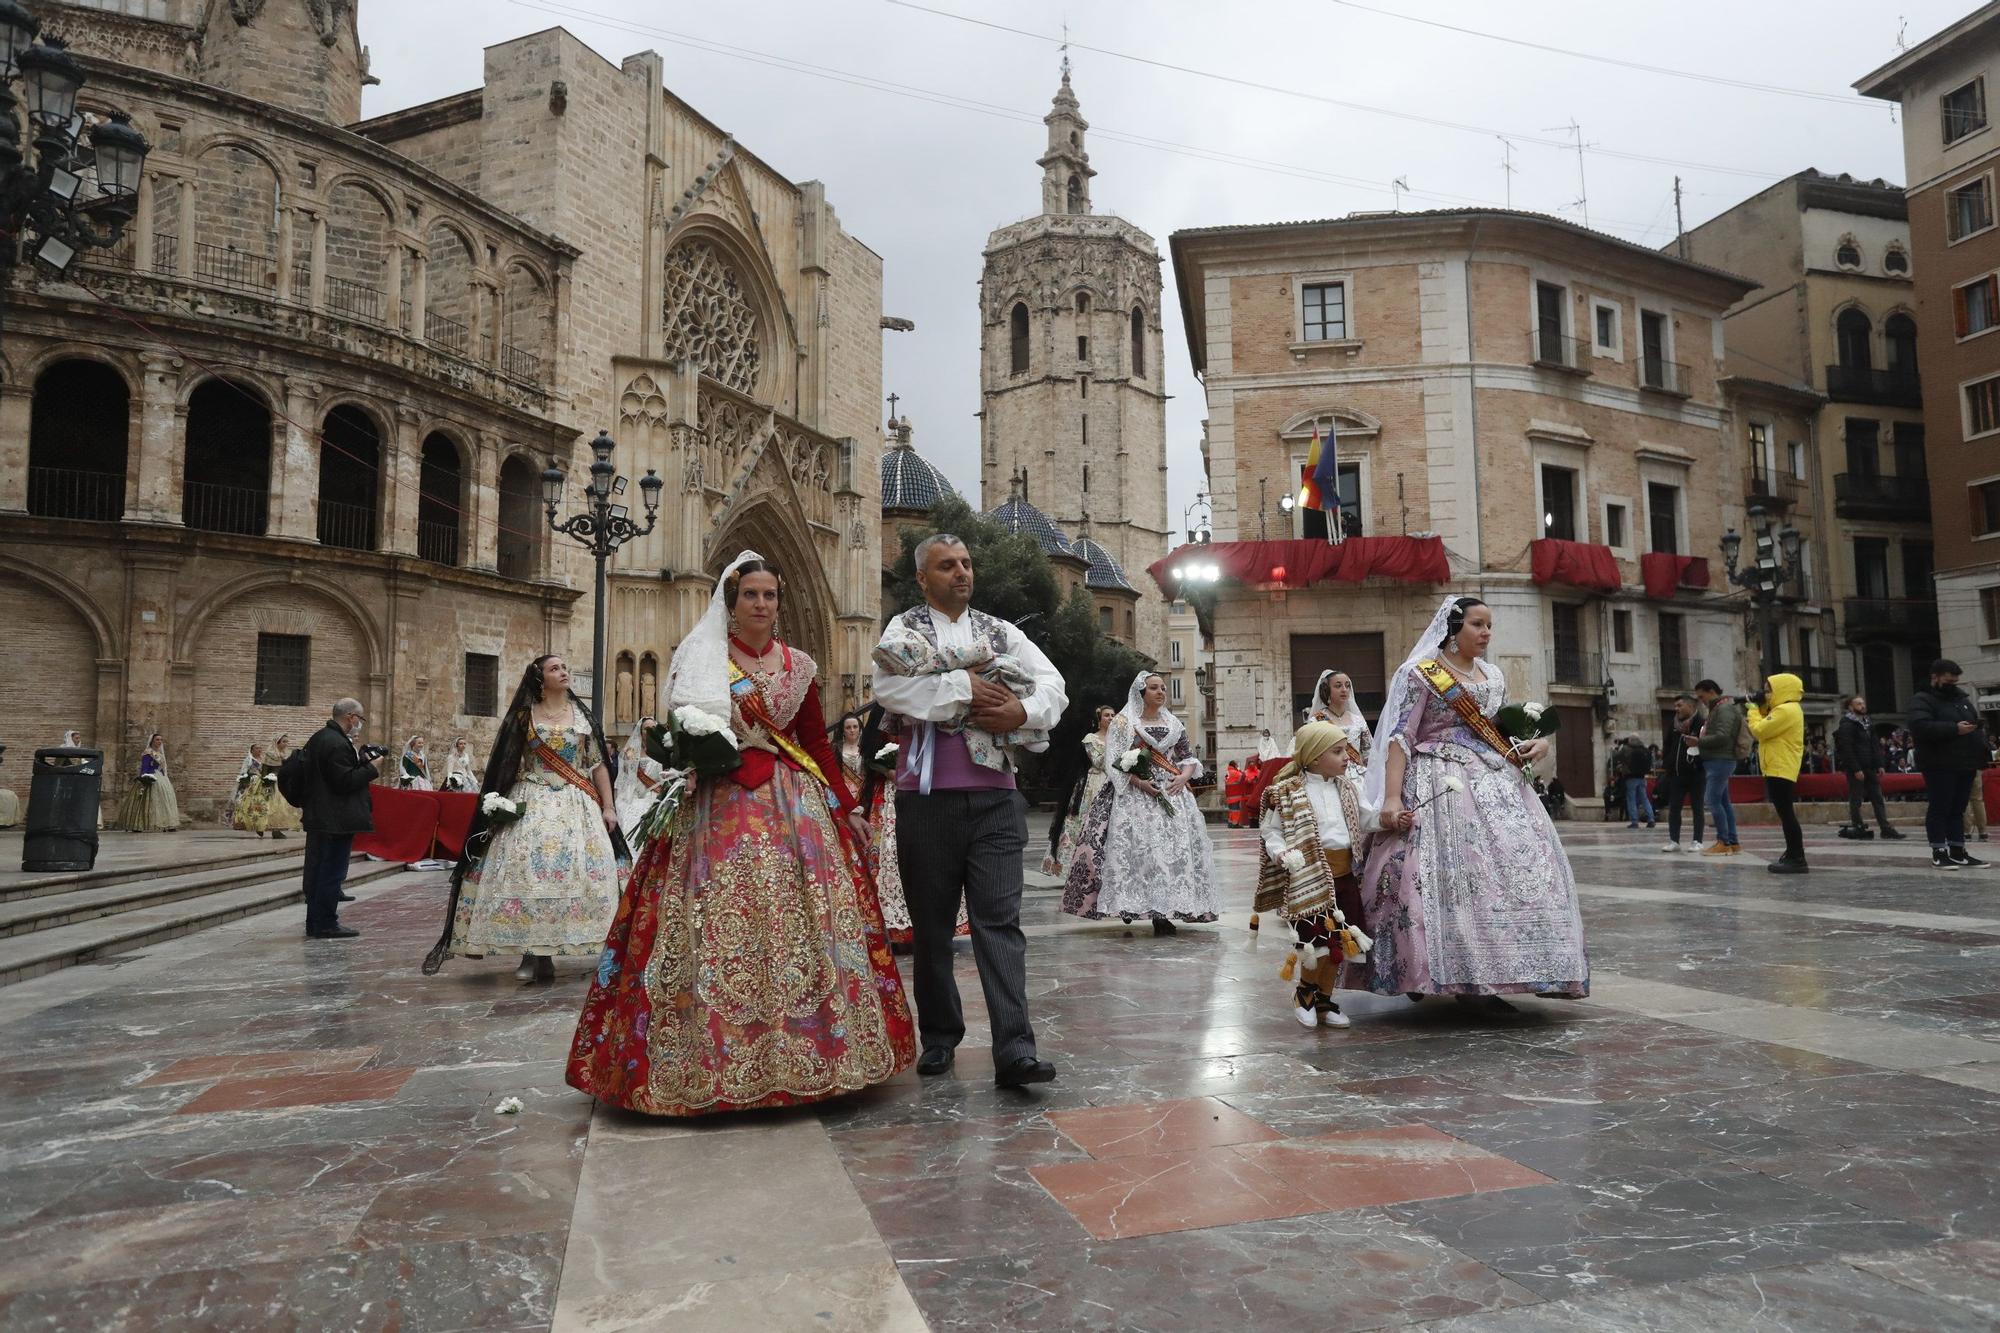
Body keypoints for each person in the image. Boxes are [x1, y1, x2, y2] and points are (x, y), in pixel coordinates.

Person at [567, 552, 915, 1115]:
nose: (760, 604)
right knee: (709, 915)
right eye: (750, 594)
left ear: (778, 604)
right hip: (716, 802)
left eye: (769, 595)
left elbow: (816, 743)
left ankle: (815, 1054)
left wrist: (848, 804)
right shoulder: (701, 658)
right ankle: (700, 1061)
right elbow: (674, 733)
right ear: (731, 603)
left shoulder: (798, 665)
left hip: (791, 803)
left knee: (798, 920)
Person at [872, 533, 1066, 1089]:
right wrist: (962, 689)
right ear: (922, 579)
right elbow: (889, 688)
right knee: (932, 928)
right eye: (947, 565)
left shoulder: (1002, 632)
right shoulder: (902, 630)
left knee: (999, 922)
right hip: (926, 800)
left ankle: (1015, 1049)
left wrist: (1020, 711)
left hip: (996, 800)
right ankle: (939, 1038)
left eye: (966, 563)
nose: (961, 572)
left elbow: (1055, 687)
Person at [1351, 595, 1589, 1008]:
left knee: (1520, 869)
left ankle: (1505, 971)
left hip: (1494, 780)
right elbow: (1399, 738)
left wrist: (1537, 744)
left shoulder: (1493, 676)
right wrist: (1391, 798)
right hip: (1436, 781)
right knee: (1429, 877)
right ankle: (1431, 970)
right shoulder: (1420, 674)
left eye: (1489, 625)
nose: (1486, 633)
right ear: (1454, 630)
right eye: (1478, 625)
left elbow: (1495, 729)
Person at [424, 655, 628, 984]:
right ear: (539, 678)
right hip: (531, 798)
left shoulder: (582, 717)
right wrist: (499, 800)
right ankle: (532, 953)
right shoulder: (525, 717)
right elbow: (506, 761)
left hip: (577, 803)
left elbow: (597, 764)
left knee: (577, 872)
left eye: (564, 668)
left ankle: (561, 947)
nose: (563, 672)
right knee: (527, 872)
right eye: (555, 669)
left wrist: (609, 806)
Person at [1257, 721, 1411, 1029]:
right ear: (1314, 757)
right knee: (1317, 945)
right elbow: (1271, 831)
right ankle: (1304, 995)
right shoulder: (1287, 792)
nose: (1347, 758)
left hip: (1343, 877)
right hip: (1308, 879)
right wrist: (1282, 852)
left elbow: (1368, 820)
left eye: (1345, 751)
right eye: (1338, 752)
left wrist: (1392, 818)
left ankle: (1324, 999)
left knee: (1339, 943)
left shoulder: (1348, 789)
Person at [1063, 672, 1219, 932]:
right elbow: (1116, 760)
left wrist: (1182, 778)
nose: (1161, 692)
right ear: (1141, 693)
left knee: (1169, 855)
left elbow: (1188, 758)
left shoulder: (1174, 724)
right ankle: (1130, 904)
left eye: (1163, 688)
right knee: (1139, 853)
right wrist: (1140, 783)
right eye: (1154, 688)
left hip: (1171, 794)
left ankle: (1163, 911)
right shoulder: (1124, 723)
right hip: (1134, 797)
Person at [301, 700, 381, 939]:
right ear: (350, 717)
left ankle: (315, 922)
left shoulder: (320, 738)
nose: (359, 725)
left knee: (319, 871)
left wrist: (361, 762)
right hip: (334, 819)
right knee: (331, 872)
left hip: (321, 815)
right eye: (360, 719)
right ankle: (326, 923)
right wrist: (372, 768)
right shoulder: (336, 743)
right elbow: (343, 782)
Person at [1908, 659, 1992, 870]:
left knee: (1958, 808)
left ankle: (1958, 850)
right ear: (1935, 677)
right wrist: (1953, 728)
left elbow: (1972, 719)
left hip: (1965, 761)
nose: (1952, 684)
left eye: (1955, 681)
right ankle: (1939, 850)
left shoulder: (1960, 699)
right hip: (1938, 762)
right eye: (1948, 680)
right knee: (1940, 807)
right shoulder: (1922, 699)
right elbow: (1920, 726)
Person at [1746, 673, 1807, 875]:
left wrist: (1753, 710)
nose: (1767, 693)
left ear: (1783, 689)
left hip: (1780, 767)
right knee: (1785, 812)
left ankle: (1796, 857)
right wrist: (1762, 707)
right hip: (1778, 766)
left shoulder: (1786, 710)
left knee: (1786, 813)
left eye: (1770, 689)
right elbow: (1768, 721)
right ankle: (1792, 854)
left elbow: (1760, 730)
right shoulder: (1785, 710)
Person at [1044, 706, 1116, 875]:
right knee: (1082, 822)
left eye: (1113, 715)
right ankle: (1075, 865)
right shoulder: (1091, 738)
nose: (1111, 718)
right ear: (1099, 719)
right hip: (1094, 783)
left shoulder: (1119, 739)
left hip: (1113, 784)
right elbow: (1099, 761)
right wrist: (1115, 747)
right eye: (1107, 715)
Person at [1835, 696, 1901, 840]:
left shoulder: (1867, 723)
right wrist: (1855, 768)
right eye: (1859, 704)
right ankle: (1858, 826)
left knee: (1878, 798)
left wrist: (1879, 764)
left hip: (1870, 766)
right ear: (1851, 707)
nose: (1863, 706)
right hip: (1857, 768)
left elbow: (1874, 745)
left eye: (1863, 703)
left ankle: (1885, 828)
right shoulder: (1847, 724)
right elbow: (1846, 748)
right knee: (1856, 798)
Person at [1694, 680, 1745, 855]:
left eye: (1702, 696)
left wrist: (1698, 741)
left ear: (1711, 691)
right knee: (1723, 802)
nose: (1701, 700)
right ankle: (1733, 841)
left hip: (1721, 759)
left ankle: (1723, 841)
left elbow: (1723, 736)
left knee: (1712, 800)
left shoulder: (1724, 709)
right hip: (1718, 759)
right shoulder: (1718, 709)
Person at [1658, 694, 1707, 853]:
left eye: (1680, 705)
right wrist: (1667, 764)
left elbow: (1707, 745)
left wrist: (1699, 763)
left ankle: (1697, 840)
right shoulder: (1674, 725)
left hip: (1696, 773)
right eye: (1676, 706)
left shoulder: (1702, 723)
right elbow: (1667, 745)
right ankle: (1674, 840)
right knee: (1674, 808)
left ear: (1691, 707)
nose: (1676, 709)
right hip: (1676, 774)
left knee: (1697, 807)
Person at [1306, 669, 1375, 764]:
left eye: (1347, 686)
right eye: (1338, 686)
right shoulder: (1317, 720)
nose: (1344, 690)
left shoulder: (1358, 720)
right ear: (1327, 690)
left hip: (1357, 776)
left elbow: (1370, 754)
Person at [613, 714, 667, 835]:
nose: (649, 731)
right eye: (645, 728)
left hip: (656, 795)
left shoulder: (664, 750)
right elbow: (623, 778)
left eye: (653, 728)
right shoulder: (630, 752)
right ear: (640, 731)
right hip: (633, 795)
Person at [115, 732, 180, 832]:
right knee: (145, 801)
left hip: (161, 778)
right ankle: (139, 824)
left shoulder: (160, 754)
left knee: (164, 800)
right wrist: (144, 777)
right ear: (152, 741)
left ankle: (166, 823)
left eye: (161, 740)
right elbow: (145, 767)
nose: (159, 742)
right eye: (157, 740)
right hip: (150, 776)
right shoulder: (148, 753)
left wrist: (164, 777)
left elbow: (162, 768)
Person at [229, 742, 277, 836]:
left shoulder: (264, 759)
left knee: (264, 805)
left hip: (263, 785)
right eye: (256, 748)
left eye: (260, 748)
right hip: (252, 786)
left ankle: (262, 825)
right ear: (252, 750)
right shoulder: (249, 760)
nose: (259, 750)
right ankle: (253, 825)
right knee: (253, 806)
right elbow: (243, 772)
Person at [265, 733, 303, 836]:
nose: (286, 744)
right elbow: (265, 769)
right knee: (271, 808)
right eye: (283, 742)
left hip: (283, 783)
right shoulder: (270, 754)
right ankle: (264, 827)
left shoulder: (287, 754)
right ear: (277, 742)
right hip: (271, 783)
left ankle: (276, 830)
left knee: (282, 809)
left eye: (287, 741)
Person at [1617, 735, 1656, 830]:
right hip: (1642, 777)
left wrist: (1621, 746)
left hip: (1630, 778)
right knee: (1644, 799)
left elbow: (1617, 756)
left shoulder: (1626, 749)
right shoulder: (1643, 749)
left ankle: (1634, 821)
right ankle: (1651, 819)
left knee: (1631, 799)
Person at [1224, 758, 1247, 827]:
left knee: (1231, 809)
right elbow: (1243, 776)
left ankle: (1230, 822)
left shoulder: (1227, 772)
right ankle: (1235, 823)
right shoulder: (1235, 772)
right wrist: (1239, 769)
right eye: (1236, 764)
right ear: (1234, 765)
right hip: (1235, 793)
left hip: (1229, 794)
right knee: (1236, 809)